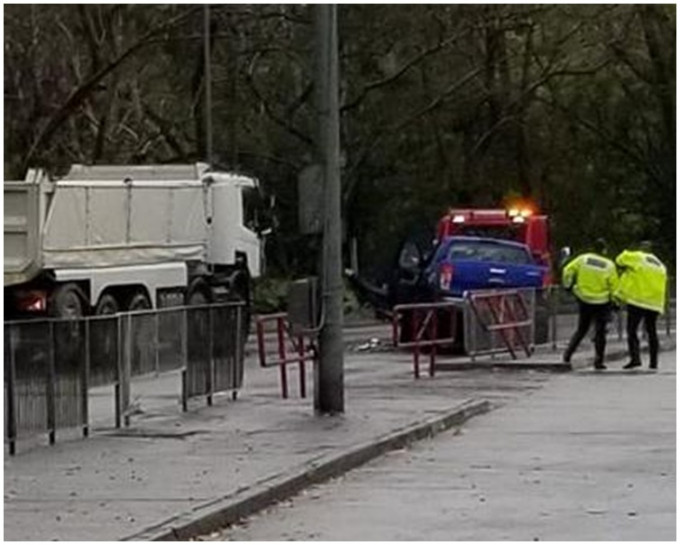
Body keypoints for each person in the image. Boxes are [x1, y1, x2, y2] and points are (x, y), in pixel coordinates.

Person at [562, 239, 618, 370]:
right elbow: (614, 286)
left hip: (584, 298)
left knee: (582, 329)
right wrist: (616, 301)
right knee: (600, 332)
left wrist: (568, 285)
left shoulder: (583, 259)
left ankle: (568, 354)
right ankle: (599, 361)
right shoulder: (609, 265)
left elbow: (567, 270)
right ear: (604, 250)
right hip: (602, 301)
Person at [614, 241, 667, 370]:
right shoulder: (660, 265)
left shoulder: (638, 257)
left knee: (632, 330)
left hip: (638, 300)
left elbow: (619, 259)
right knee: (652, 331)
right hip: (654, 302)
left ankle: (635, 359)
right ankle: (653, 362)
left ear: (641, 249)